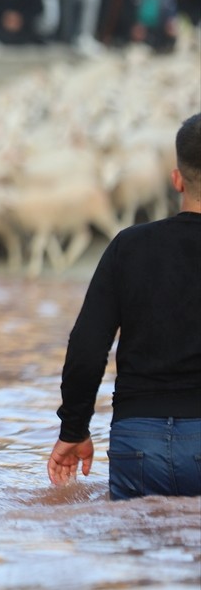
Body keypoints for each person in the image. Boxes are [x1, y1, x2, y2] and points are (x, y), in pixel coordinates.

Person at [47, 113, 201, 501]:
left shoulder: (128, 246)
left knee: (139, 553)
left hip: (137, 440)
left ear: (177, 179)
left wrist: (74, 430)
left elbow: (87, 346)